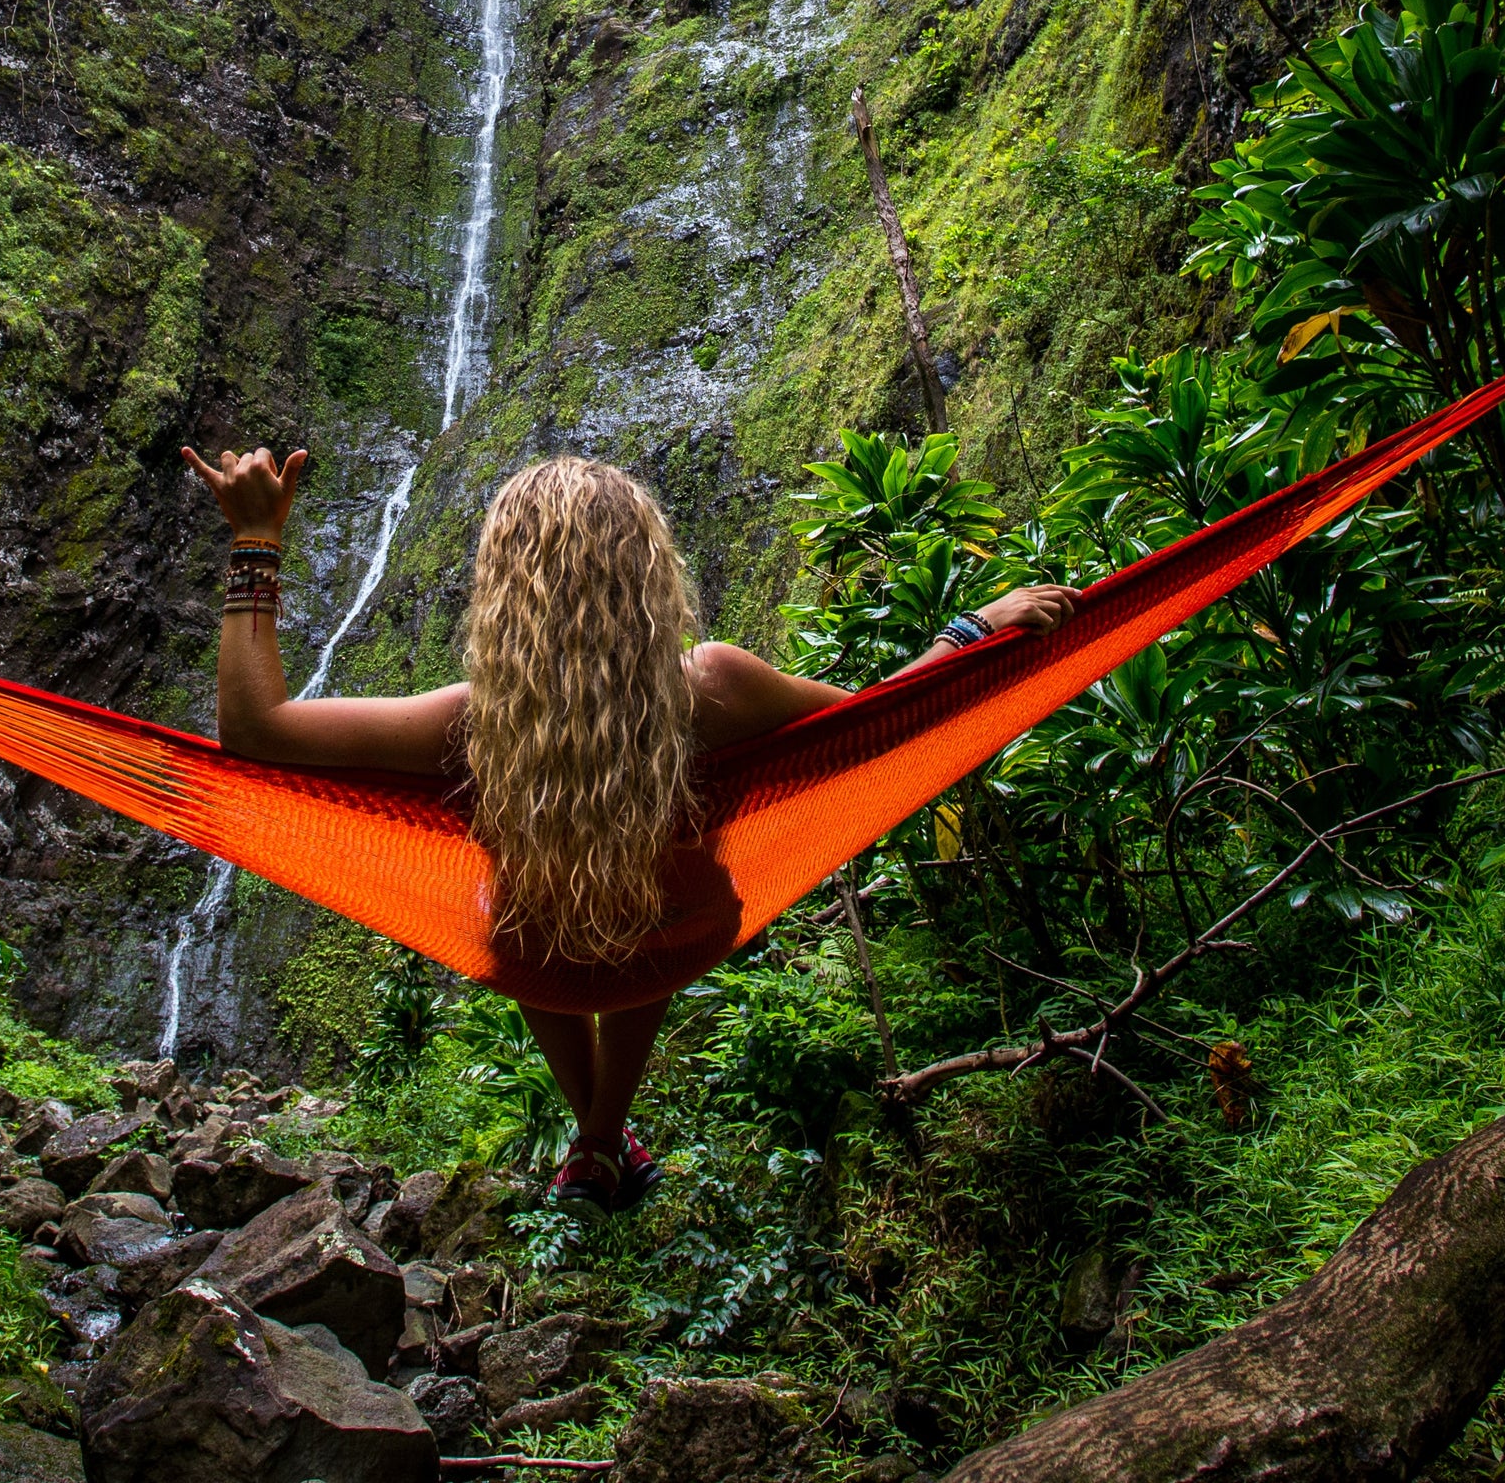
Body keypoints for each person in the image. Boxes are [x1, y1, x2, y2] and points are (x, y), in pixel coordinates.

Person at [181, 439, 1079, 1219]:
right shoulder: (712, 687)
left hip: (537, 959)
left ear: (503, 595)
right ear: (646, 572)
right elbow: (878, 720)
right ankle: (604, 1142)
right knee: (648, 869)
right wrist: (975, 627)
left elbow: (255, 730)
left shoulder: (467, 725)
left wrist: (257, 540)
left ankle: (596, 1137)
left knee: (522, 893)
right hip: (680, 939)